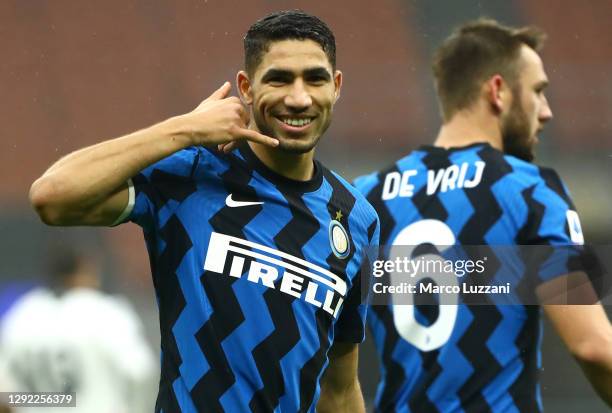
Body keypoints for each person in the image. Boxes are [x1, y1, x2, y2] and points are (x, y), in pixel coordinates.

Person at [29, 10, 380, 413]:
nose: (299, 98)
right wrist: (185, 128)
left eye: (314, 78)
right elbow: (52, 196)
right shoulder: (193, 173)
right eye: (279, 78)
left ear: (335, 87)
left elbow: (340, 387)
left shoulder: (357, 219)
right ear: (245, 88)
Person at [354, 18, 612, 412]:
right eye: (539, 92)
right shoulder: (526, 190)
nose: (546, 112)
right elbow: (594, 347)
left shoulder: (365, 198)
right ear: (498, 91)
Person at [0, 247, 156, 413]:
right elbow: (140, 372)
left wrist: (46, 404)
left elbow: (5, 392)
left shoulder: (21, 314)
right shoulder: (104, 311)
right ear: (84, 271)